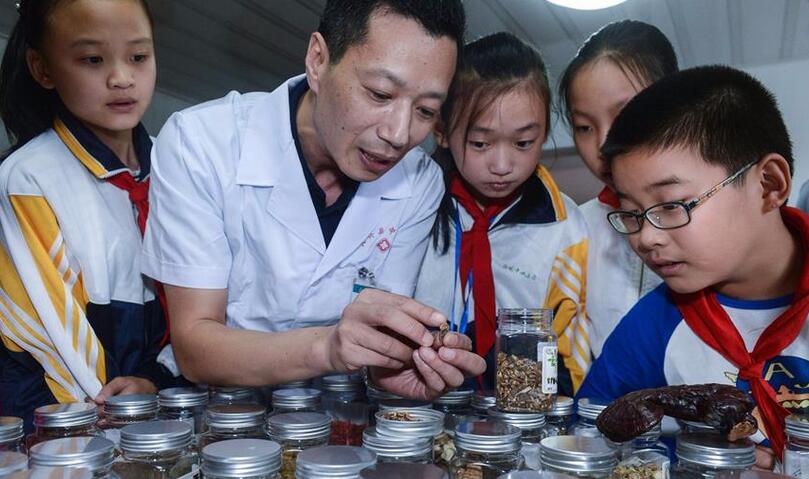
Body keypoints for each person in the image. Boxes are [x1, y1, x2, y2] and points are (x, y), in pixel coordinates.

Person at [141, 0, 485, 399]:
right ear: (318, 60)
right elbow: (195, 347)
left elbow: (378, 335)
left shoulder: (421, 182)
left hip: (338, 425)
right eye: (379, 94)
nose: (399, 133)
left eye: (426, 110)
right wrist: (327, 347)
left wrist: (394, 366)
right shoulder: (199, 144)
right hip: (218, 415)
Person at [577, 65, 808, 469]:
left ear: (768, 184)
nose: (646, 238)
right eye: (629, 212)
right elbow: (589, 436)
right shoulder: (655, 324)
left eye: (671, 205)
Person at [0, 0, 182, 429]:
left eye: (138, 56)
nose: (122, 78)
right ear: (42, 69)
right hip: (65, 415)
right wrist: (118, 412)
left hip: (156, 405)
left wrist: (160, 378)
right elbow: (52, 333)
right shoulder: (27, 178)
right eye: (92, 59)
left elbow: (205, 297)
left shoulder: (179, 162)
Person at [414, 32, 588, 395]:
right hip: (415, 403)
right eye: (480, 143)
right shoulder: (411, 206)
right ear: (442, 130)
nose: (503, 165)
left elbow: (570, 352)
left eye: (523, 143)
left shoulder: (566, 230)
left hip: (518, 413)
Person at [558, 20, 678, 358]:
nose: (604, 144)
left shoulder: (714, 218)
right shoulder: (574, 230)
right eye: (583, 126)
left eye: (625, 113)